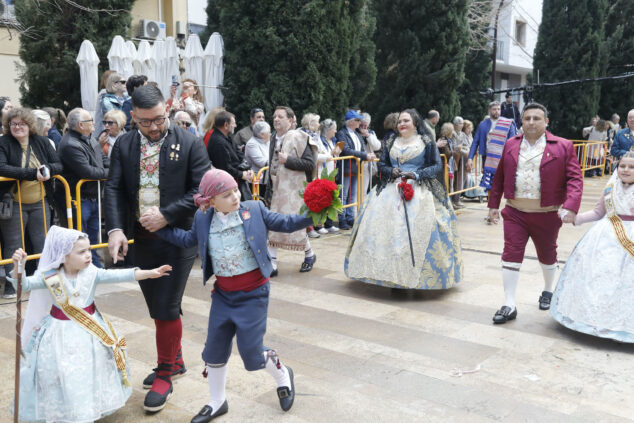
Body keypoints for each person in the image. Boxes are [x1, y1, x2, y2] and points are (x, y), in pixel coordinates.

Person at [156, 169, 314, 422]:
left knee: (251, 352)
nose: (235, 197)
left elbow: (284, 223)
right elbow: (187, 240)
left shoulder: (254, 209)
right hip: (223, 295)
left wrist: (312, 213)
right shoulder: (203, 218)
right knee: (214, 350)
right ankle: (217, 401)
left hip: (254, 293)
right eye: (226, 195)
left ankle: (283, 374)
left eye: (235, 191)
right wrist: (158, 228)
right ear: (210, 201)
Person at [105, 85, 210, 412]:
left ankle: (166, 370)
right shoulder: (124, 143)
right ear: (132, 116)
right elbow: (114, 188)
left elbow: (201, 190)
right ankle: (174, 360)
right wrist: (116, 228)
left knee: (165, 306)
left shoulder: (189, 142)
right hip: (141, 237)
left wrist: (167, 215)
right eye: (145, 122)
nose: (154, 127)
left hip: (178, 237)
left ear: (167, 110)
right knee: (157, 303)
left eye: (159, 119)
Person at [9, 226, 171, 423]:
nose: (88, 255)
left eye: (89, 250)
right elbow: (24, 286)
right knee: (63, 372)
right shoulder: (50, 277)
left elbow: (119, 275)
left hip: (90, 331)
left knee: (89, 369)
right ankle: (66, 411)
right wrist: (19, 267)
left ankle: (88, 409)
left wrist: (149, 273)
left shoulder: (91, 272)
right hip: (57, 334)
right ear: (64, 255)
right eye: (81, 252)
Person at [345, 109, 463, 289]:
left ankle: (413, 275)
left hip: (419, 190)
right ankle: (385, 273)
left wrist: (416, 174)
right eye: (399, 121)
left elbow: (436, 165)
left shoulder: (426, 141)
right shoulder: (392, 141)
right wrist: (390, 171)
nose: (402, 124)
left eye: (406, 120)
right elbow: (382, 163)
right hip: (390, 190)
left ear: (415, 123)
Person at [487, 103, 583, 324]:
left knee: (547, 254)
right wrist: (493, 203)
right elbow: (499, 175)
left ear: (546, 122)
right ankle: (509, 303)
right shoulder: (511, 144)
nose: (531, 122)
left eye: (536, 118)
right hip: (515, 212)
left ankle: (549, 290)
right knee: (510, 253)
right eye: (527, 118)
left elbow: (575, 179)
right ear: (522, 120)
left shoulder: (563, 146)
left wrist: (570, 205)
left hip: (547, 214)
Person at [550, 152, 634, 342]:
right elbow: (598, 212)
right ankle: (592, 321)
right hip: (603, 238)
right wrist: (575, 218)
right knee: (598, 277)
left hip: (629, 242)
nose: (626, 170)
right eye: (622, 166)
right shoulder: (610, 188)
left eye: (631, 167)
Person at [0, 108, 63, 299]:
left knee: (43, 244)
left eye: (21, 124)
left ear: (30, 125)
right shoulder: (3, 142)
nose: (17, 127)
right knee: (14, 246)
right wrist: (32, 174)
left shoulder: (42, 142)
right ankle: (13, 285)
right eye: (13, 124)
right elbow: (2, 167)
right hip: (14, 203)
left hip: (40, 201)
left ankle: (49, 283)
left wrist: (47, 169)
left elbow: (58, 165)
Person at [265, 106, 318, 275]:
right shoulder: (273, 138)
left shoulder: (299, 136)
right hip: (276, 189)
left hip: (294, 191)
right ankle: (272, 263)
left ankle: (309, 255)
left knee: (296, 225)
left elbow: (309, 164)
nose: (276, 119)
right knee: (273, 224)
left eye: (280, 116)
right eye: (274, 116)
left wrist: (288, 160)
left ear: (291, 120)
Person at [58, 108, 109, 267]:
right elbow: (88, 172)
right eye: (90, 121)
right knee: (79, 238)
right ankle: (80, 269)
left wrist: (113, 169)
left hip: (92, 197)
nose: (94, 123)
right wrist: (114, 172)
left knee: (93, 237)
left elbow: (103, 160)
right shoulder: (69, 144)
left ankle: (94, 269)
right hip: (78, 198)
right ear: (81, 125)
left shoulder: (90, 138)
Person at [335, 110, 377, 230]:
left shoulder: (357, 134)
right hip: (346, 167)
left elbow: (362, 148)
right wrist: (365, 155)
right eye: (358, 120)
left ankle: (350, 217)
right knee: (343, 195)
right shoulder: (342, 133)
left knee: (352, 195)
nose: (360, 122)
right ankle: (342, 218)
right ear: (351, 121)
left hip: (355, 168)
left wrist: (367, 154)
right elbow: (346, 150)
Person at [467, 101, 517, 190]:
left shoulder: (508, 124)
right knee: (489, 185)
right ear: (489, 110)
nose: (497, 111)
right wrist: (470, 158)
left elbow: (513, 143)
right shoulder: (482, 124)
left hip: (503, 158)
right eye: (494, 109)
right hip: (487, 157)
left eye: (498, 109)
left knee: (502, 184)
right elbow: (475, 142)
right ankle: (491, 202)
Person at [207, 110, 254, 201]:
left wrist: (247, 169)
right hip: (225, 187)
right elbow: (224, 168)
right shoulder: (218, 142)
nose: (235, 126)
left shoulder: (228, 136)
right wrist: (241, 174)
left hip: (235, 180)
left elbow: (239, 153)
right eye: (233, 123)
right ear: (226, 125)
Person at [316, 118, 341, 234]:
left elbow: (332, 156)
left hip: (332, 173)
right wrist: (331, 153)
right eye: (334, 130)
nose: (335, 132)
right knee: (321, 200)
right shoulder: (319, 141)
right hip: (322, 173)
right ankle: (319, 224)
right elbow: (321, 155)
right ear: (329, 130)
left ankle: (329, 223)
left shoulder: (332, 141)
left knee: (330, 199)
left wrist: (336, 153)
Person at [94, 72, 127, 140]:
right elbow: (116, 120)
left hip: (124, 134)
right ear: (114, 84)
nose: (125, 84)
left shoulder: (128, 98)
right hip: (112, 136)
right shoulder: (106, 100)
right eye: (123, 82)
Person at [437, 122, 463, 209]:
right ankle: (447, 204)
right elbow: (447, 154)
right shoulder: (443, 140)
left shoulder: (448, 140)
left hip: (449, 165)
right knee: (447, 185)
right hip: (445, 166)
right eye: (451, 130)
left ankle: (450, 202)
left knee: (450, 185)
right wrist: (457, 150)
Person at [245, 120, 271, 200]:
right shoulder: (251, 144)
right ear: (262, 135)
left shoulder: (267, 142)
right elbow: (262, 162)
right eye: (269, 132)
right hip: (257, 183)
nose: (270, 134)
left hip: (267, 180)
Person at [358, 112, 382, 201]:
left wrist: (368, 135)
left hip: (367, 166)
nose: (364, 128)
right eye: (363, 125)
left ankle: (361, 212)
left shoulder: (370, 133)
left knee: (364, 191)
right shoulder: (355, 132)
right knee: (356, 192)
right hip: (356, 164)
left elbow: (377, 146)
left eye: (366, 126)